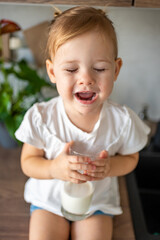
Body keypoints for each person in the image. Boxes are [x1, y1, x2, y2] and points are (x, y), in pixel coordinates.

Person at [15, 6, 150, 240]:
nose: (86, 79)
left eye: (99, 68)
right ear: (52, 71)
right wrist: (53, 168)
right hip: (49, 202)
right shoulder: (42, 117)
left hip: (96, 203)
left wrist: (110, 168)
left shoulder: (122, 121)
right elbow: (28, 162)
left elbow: (131, 158)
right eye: (71, 69)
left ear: (116, 69)